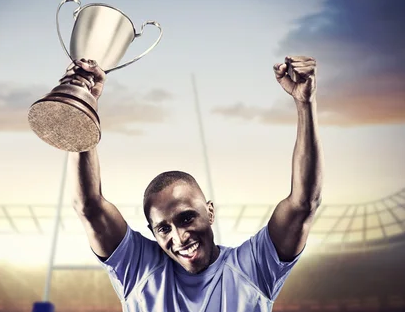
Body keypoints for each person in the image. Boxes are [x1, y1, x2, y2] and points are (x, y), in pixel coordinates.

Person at [65, 56, 323, 312]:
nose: (179, 237)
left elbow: (303, 205)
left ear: (210, 211)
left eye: (186, 218)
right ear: (153, 232)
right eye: (163, 229)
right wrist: (83, 102)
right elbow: (89, 207)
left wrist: (304, 102)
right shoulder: (139, 268)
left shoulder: (251, 269)